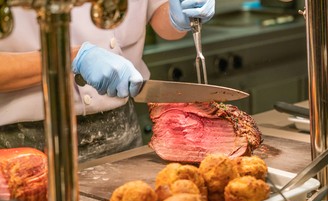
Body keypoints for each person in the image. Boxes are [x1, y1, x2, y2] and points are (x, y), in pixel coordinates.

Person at [0, 0, 215, 162]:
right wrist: (68, 58)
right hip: (23, 146)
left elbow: (157, 13)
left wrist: (177, 16)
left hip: (123, 132)